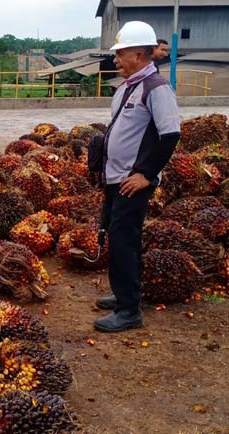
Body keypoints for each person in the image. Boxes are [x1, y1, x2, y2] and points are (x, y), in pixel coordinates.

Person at [94, 21, 181, 332]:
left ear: (141, 54)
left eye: (121, 54)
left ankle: (129, 311)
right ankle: (124, 295)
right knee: (121, 239)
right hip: (115, 178)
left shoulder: (157, 89)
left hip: (133, 182)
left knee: (122, 242)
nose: (116, 60)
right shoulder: (126, 87)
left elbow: (170, 135)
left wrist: (146, 174)